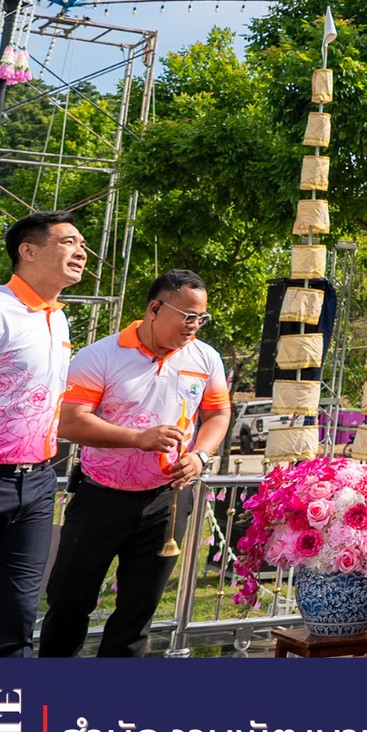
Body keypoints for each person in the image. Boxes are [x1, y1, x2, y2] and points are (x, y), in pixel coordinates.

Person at [39, 269, 230, 657]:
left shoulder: (205, 357)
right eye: (187, 314)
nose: (194, 325)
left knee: (137, 613)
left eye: (201, 317)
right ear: (155, 308)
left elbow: (218, 415)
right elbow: (70, 422)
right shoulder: (102, 355)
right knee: (70, 602)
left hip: (166, 502)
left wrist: (200, 456)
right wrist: (137, 439)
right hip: (100, 498)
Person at [0, 211, 86, 656]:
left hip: (37, 485)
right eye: (68, 241)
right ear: (28, 250)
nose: (81, 251)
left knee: (17, 618)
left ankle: (5, 719)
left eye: (82, 244)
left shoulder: (57, 319)